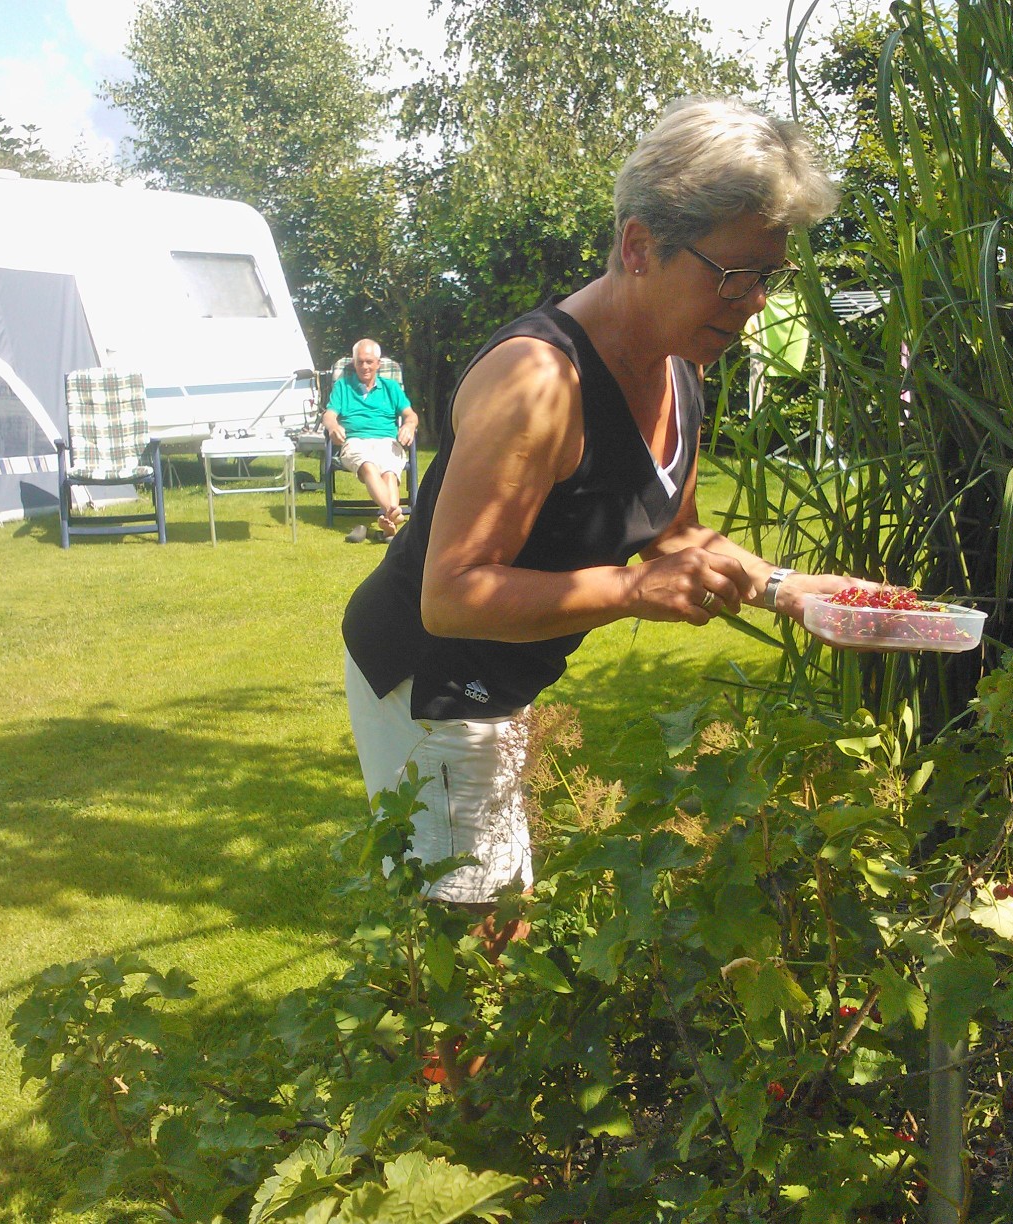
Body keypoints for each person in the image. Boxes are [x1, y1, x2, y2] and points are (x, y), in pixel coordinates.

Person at [342, 97, 873, 932]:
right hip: (430, 678)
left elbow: (678, 534)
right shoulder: (538, 384)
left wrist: (791, 590)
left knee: (494, 939)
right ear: (638, 245)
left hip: (500, 674)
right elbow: (448, 595)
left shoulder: (678, 367)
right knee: (477, 953)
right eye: (735, 274)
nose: (757, 303)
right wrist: (632, 592)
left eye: (771, 277)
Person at [322, 338, 419, 542]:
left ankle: (388, 521)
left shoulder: (391, 387)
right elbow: (329, 415)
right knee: (368, 466)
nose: (364, 367)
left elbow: (411, 415)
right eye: (360, 362)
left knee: (390, 472)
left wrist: (409, 426)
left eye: (369, 361)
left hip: (387, 440)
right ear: (354, 363)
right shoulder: (343, 386)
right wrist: (333, 426)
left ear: (378, 363)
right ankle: (394, 514)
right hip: (355, 441)